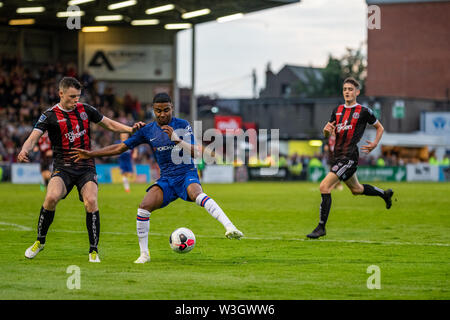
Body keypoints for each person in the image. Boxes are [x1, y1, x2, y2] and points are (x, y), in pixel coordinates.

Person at [70, 93, 244, 264]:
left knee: (197, 194)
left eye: (166, 110)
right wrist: (91, 154)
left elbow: (196, 152)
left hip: (186, 173)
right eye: (158, 111)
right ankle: (144, 254)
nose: (162, 114)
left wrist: (176, 140)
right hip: (166, 179)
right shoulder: (147, 130)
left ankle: (230, 227)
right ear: (153, 110)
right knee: (143, 207)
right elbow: (119, 148)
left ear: (172, 108)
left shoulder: (182, 125)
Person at [18, 77, 145, 262]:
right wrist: (24, 149)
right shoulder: (49, 115)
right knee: (51, 197)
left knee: (91, 201)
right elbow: (33, 137)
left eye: (78, 96)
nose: (76, 100)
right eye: (72, 96)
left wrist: (131, 129)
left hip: (86, 166)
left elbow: (109, 124)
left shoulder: (85, 110)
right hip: (63, 167)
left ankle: (93, 251)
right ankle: (40, 241)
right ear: (61, 93)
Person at [306, 77, 394, 239]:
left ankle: (321, 227)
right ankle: (384, 194)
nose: (347, 92)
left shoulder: (363, 111)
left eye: (351, 89)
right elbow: (328, 133)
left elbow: (379, 127)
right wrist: (325, 131)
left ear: (357, 92)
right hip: (338, 156)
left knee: (324, 187)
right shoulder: (337, 110)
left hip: (349, 157)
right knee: (357, 190)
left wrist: (374, 143)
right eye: (345, 89)